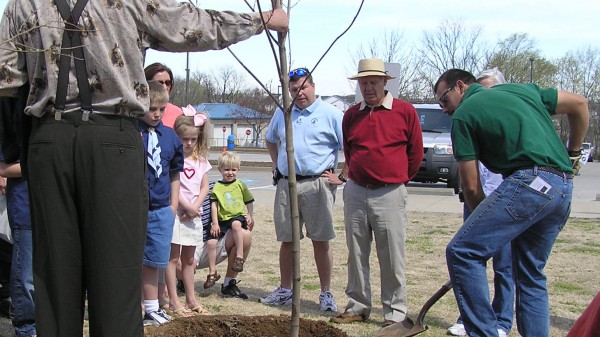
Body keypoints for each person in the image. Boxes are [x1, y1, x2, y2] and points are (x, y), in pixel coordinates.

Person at [0, 1, 288, 335]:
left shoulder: (24, 2)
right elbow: (192, 26)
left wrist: (24, 145)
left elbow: (7, 80)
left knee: (55, 277)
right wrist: (261, 21)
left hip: (48, 139)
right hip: (113, 140)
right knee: (117, 275)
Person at [434, 68, 588, 337]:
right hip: (562, 187)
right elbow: (579, 104)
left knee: (462, 251)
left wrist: (483, 228)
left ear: (460, 86)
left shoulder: (464, 116)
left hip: (530, 183)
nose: (444, 109)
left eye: (444, 100)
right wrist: (573, 152)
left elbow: (471, 187)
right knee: (530, 275)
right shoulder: (523, 91)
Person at [331, 58, 423, 326]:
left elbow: (415, 155)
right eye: (363, 82)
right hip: (357, 191)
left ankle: (394, 313)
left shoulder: (405, 111)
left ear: (385, 82)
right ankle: (358, 306)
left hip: (390, 193)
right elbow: (349, 151)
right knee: (356, 253)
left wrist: (397, 178)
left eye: (373, 82)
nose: (368, 87)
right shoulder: (351, 115)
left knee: (392, 255)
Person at [261, 67, 343, 312]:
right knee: (287, 240)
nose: (299, 93)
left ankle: (326, 293)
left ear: (313, 86)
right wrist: (277, 166)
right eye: (293, 89)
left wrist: (343, 175)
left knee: (321, 240)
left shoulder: (332, 114)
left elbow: (349, 144)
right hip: (288, 184)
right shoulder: (283, 112)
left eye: (303, 87)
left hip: (318, 184)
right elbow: (270, 138)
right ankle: (285, 290)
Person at [447, 67, 513, 337]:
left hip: (507, 202)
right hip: (475, 200)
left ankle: (501, 320)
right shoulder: (470, 121)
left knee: (505, 265)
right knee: (470, 260)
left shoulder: (506, 121)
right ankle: (470, 317)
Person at [139, 81, 183, 326]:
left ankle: (152, 307)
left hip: (160, 209)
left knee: (155, 260)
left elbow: (175, 173)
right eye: (152, 108)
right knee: (134, 258)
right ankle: (137, 305)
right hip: (135, 209)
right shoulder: (132, 132)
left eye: (161, 109)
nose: (156, 114)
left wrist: (173, 205)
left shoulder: (170, 138)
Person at [166, 105, 212, 316]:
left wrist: (195, 207)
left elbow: (204, 187)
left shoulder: (201, 161)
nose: (189, 143)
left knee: (189, 259)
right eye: (185, 139)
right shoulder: (173, 160)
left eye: (193, 139)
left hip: (193, 216)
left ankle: (192, 299)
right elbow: (171, 186)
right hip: (177, 214)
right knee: (172, 258)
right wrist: (186, 206)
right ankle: (173, 300)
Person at [208, 151, 254, 288]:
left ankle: (239, 257)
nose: (230, 173)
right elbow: (214, 205)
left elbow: (249, 201)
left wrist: (250, 214)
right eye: (226, 169)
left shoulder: (240, 185)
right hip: (223, 219)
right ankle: (212, 273)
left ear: (238, 170)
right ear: (220, 169)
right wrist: (215, 223)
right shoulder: (217, 187)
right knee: (211, 243)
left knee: (236, 225)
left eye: (233, 170)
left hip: (237, 216)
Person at [145, 63, 183, 129]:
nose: (165, 87)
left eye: (168, 83)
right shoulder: (136, 111)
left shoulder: (178, 113)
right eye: (159, 83)